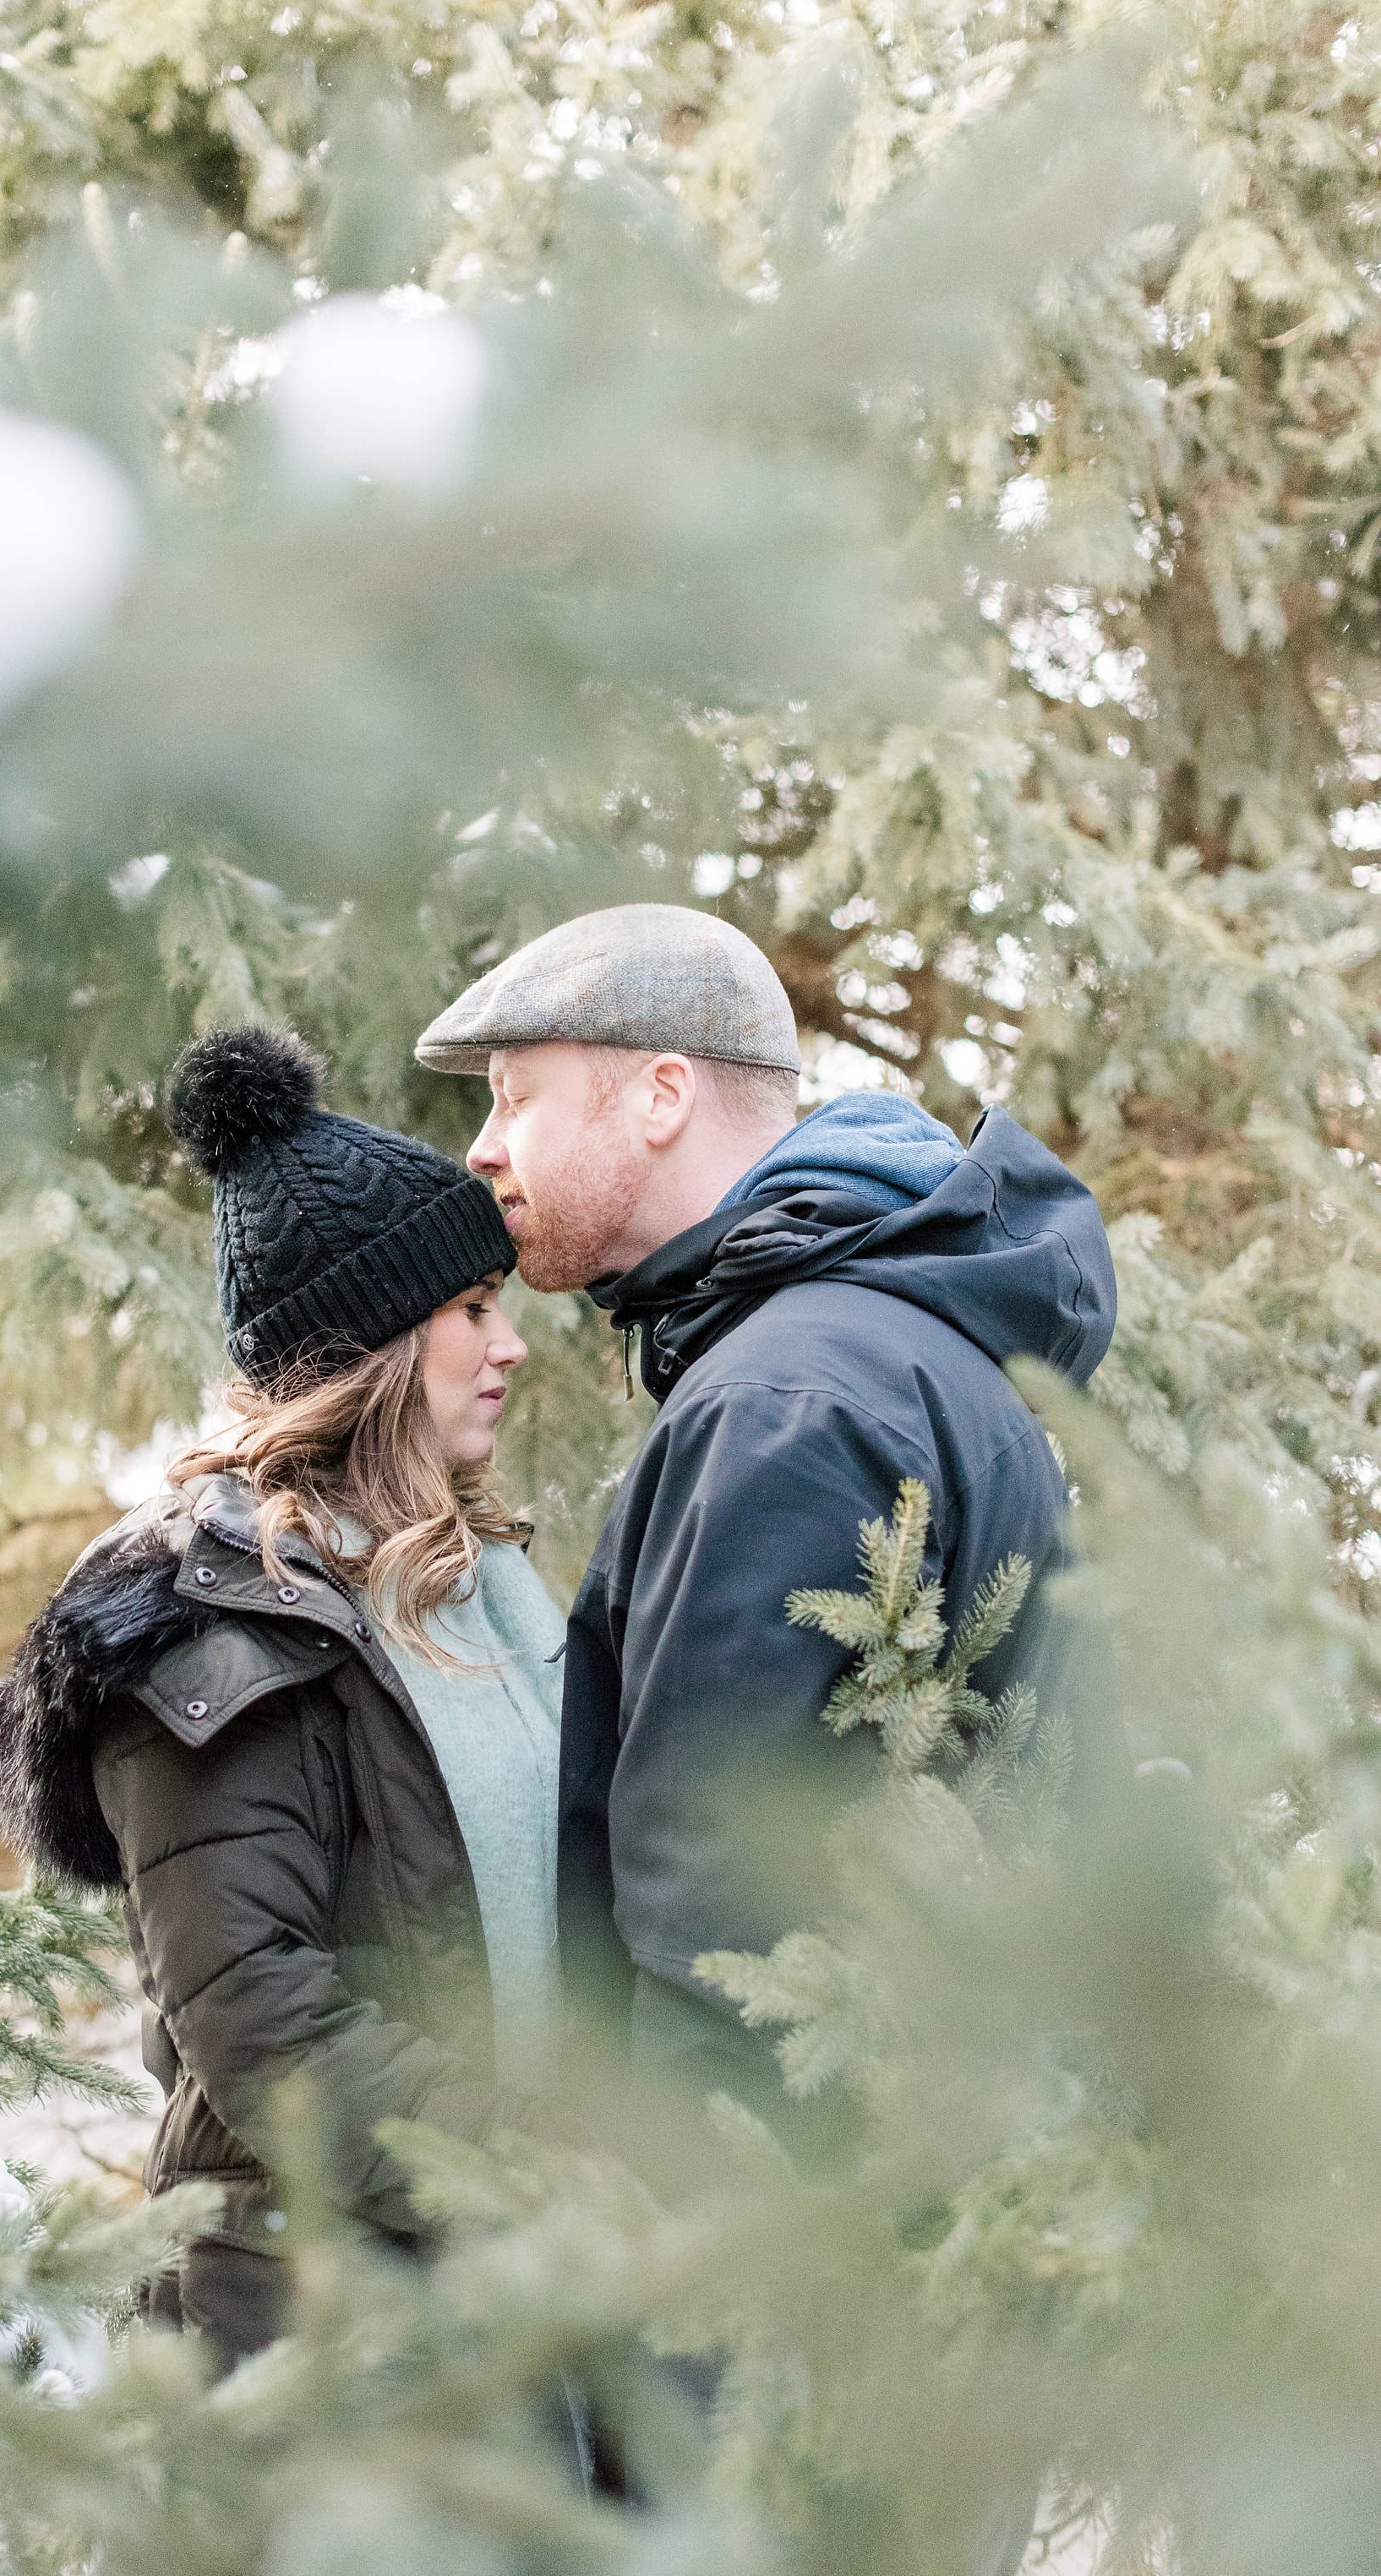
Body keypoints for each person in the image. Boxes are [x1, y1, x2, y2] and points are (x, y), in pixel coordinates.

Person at [415, 902, 1120, 2113]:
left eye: (518, 1097)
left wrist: (690, 2266)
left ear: (661, 1096)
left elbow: (725, 1928)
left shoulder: (786, 1400)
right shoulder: (883, 1342)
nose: (484, 1147)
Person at [0, 1025, 569, 2375]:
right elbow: (260, 2018)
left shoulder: (471, 1586)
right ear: (370, 1349)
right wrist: (545, 2162)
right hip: (321, 2325)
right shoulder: (213, 1621)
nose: (512, 1344)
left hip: (499, 2291)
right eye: (473, 1309)